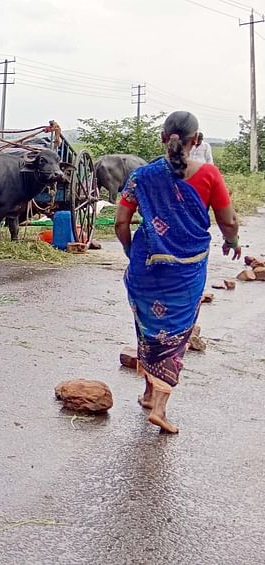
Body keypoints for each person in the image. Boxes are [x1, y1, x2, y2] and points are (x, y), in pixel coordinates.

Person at [115, 111, 240, 434]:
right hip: (186, 271)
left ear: (162, 138)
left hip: (146, 266)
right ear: (196, 140)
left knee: (148, 326)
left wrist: (132, 251)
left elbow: (120, 222)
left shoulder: (141, 176)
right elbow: (227, 221)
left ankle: (147, 391)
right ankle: (158, 406)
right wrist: (232, 241)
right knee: (175, 335)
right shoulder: (209, 175)